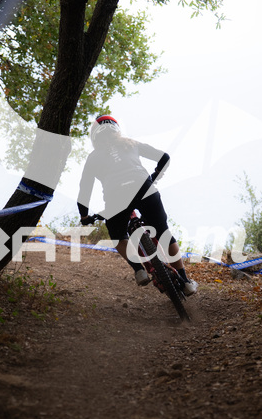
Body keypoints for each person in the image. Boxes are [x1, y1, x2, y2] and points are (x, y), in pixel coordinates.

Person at [77, 115, 197, 295]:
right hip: (144, 188)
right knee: (163, 232)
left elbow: (85, 188)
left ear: (95, 137)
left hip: (116, 195)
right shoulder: (130, 143)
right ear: (116, 129)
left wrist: (84, 215)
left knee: (118, 236)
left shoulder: (93, 157)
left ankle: (139, 270)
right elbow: (164, 157)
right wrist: (155, 175)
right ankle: (185, 281)